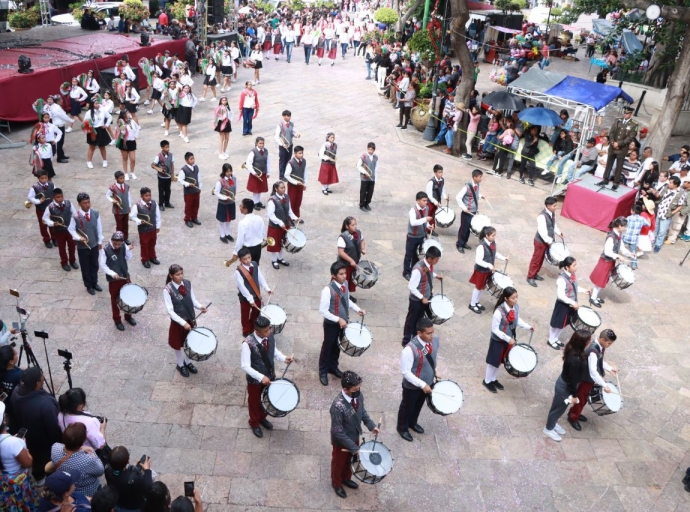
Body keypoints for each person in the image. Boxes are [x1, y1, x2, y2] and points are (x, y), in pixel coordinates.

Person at [240, 315, 294, 438]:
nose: (269, 332)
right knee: (254, 402)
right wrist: (260, 377)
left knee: (266, 399)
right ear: (257, 332)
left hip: (270, 375)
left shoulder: (269, 336)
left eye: (269, 329)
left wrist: (284, 358)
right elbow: (245, 366)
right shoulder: (247, 344)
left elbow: (273, 351)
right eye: (266, 331)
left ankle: (262, 418)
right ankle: (254, 422)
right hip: (255, 380)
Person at [329, 370, 379, 499]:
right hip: (341, 442)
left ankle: (346, 478)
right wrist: (353, 447)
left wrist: (371, 425)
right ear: (345, 390)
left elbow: (362, 412)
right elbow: (337, 431)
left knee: (350, 461)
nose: (358, 390)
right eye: (355, 389)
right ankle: (336, 483)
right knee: (338, 463)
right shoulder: (337, 406)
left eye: (359, 388)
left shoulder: (358, 396)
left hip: (354, 436)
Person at [11, 367, 62, 485]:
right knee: (43, 459)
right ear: (38, 383)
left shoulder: (16, 391)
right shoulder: (45, 405)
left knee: (35, 456)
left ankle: (38, 476)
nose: (44, 378)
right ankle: (45, 477)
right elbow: (53, 429)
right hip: (42, 440)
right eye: (42, 376)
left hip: (27, 432)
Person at [318, 262, 364, 386]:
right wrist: (338, 319)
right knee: (327, 346)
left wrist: (357, 308)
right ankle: (323, 370)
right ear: (333, 275)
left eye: (345, 273)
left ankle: (333, 367)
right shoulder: (327, 290)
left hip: (343, 323)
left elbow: (346, 299)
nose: (344, 276)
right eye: (341, 274)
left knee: (337, 346)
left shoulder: (345, 284)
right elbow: (323, 311)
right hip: (331, 324)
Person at [542, 330, 590, 441]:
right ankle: (548, 428)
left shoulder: (575, 352)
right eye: (588, 340)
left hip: (566, 384)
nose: (589, 342)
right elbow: (572, 381)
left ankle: (553, 423)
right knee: (557, 408)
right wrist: (574, 395)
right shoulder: (575, 359)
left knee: (561, 408)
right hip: (565, 387)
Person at [567, 329, 618, 431]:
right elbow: (593, 372)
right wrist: (604, 385)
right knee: (580, 399)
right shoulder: (593, 351)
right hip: (585, 379)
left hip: (587, 378)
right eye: (609, 343)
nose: (609, 345)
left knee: (584, 398)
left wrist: (609, 368)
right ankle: (573, 417)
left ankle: (574, 412)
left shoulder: (599, 347)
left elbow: (600, 360)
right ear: (602, 339)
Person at [483, 287, 533, 392]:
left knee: (500, 361)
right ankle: (487, 381)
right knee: (493, 362)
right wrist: (507, 338)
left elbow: (517, 319)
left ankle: (493, 379)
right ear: (506, 298)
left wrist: (528, 326)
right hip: (498, 340)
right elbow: (495, 329)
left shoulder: (516, 307)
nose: (515, 300)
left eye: (516, 297)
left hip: (508, 340)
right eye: (513, 298)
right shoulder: (498, 312)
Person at [163, 264, 208, 377]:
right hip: (179, 322)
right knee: (178, 344)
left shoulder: (187, 283)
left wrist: (200, 306)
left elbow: (193, 300)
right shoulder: (167, 290)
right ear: (171, 276)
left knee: (189, 342)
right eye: (178, 275)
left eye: (182, 273)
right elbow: (170, 311)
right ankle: (180, 364)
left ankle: (187, 362)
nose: (181, 276)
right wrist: (183, 323)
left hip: (190, 318)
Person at [397, 317, 438, 442]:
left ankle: (412, 422)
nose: (432, 336)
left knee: (419, 405)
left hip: (427, 383)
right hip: (412, 386)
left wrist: (434, 372)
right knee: (407, 407)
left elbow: (432, 359)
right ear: (419, 333)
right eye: (428, 333)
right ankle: (402, 427)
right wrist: (422, 384)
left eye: (433, 332)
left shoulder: (435, 341)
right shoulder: (409, 349)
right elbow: (406, 372)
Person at [588, 217, 635, 307]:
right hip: (605, 261)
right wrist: (618, 256)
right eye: (624, 226)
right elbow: (607, 251)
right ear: (619, 226)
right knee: (600, 281)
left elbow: (621, 248)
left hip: (610, 262)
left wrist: (629, 254)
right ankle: (593, 298)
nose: (625, 228)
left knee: (603, 280)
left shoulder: (618, 235)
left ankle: (595, 296)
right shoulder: (611, 237)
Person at [0, 400, 39, 510]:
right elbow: (28, 463)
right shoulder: (14, 443)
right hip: (16, 482)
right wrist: (24, 446)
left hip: (3, 480)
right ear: (4, 421)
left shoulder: (12, 442)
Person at [49, 423, 104, 497]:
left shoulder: (55, 447)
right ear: (83, 441)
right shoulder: (88, 460)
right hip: (87, 492)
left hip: (67, 489)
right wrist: (92, 452)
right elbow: (100, 471)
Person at [547, 256, 590, 349]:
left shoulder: (572, 275)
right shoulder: (561, 279)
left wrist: (584, 291)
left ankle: (555, 338)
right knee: (556, 323)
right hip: (563, 305)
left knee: (564, 323)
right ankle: (551, 340)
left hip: (570, 305)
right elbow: (561, 296)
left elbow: (573, 287)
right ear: (567, 267)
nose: (576, 267)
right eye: (574, 265)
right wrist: (573, 302)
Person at [402, 245, 442, 345]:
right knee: (411, 320)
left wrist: (436, 276)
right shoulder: (417, 270)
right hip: (416, 301)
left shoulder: (428, 265)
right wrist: (422, 297)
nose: (437, 261)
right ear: (429, 258)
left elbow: (429, 272)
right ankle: (406, 340)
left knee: (420, 319)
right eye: (436, 259)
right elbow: (411, 287)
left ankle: (417, 336)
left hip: (424, 299)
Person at [98, 231, 138, 331]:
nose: (117, 246)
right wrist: (112, 274)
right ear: (112, 240)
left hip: (125, 276)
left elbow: (128, 258)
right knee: (115, 300)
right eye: (115, 243)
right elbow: (103, 265)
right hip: (114, 280)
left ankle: (128, 316)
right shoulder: (105, 250)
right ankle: (117, 320)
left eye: (119, 244)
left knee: (128, 298)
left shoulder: (123, 246)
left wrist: (129, 250)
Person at [68, 193, 104, 296]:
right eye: (84, 203)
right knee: (85, 267)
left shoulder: (95, 213)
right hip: (82, 247)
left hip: (94, 244)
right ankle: (88, 285)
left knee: (94, 264)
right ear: (79, 204)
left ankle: (95, 282)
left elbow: (99, 228)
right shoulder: (75, 216)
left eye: (88, 202)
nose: (87, 205)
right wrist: (79, 238)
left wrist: (100, 241)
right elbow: (71, 229)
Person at [469, 226, 508, 314]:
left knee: (483, 287)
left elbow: (494, 253)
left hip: (487, 271)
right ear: (487, 235)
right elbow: (478, 260)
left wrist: (503, 258)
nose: (494, 237)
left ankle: (477, 302)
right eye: (493, 236)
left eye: (495, 235)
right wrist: (488, 265)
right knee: (478, 287)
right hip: (481, 271)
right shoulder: (481, 246)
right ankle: (472, 304)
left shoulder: (493, 243)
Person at [597, 107, 639, 190]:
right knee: (609, 163)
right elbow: (611, 132)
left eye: (627, 114)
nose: (625, 115)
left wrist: (619, 143)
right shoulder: (618, 120)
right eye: (624, 113)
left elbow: (630, 137)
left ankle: (616, 182)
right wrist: (612, 142)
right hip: (613, 147)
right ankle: (605, 179)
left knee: (619, 166)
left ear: (631, 114)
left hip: (622, 148)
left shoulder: (634, 125)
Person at [235, 247, 273, 337]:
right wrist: (250, 299)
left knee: (256, 313)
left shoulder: (255, 264)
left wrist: (267, 288)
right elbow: (242, 287)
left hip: (256, 295)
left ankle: (253, 328)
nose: (248, 260)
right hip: (245, 298)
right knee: (245, 315)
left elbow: (260, 278)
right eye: (244, 259)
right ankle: (246, 331)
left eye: (249, 258)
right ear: (240, 260)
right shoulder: (238, 272)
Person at [526, 197, 563, 287]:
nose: (556, 207)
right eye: (554, 206)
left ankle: (535, 274)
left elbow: (553, 224)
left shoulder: (551, 213)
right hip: (541, 242)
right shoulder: (542, 216)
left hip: (547, 242)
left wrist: (558, 232)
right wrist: (550, 242)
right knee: (536, 259)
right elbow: (542, 232)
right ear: (548, 206)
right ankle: (530, 276)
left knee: (541, 258)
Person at [104, 446, 153, 511]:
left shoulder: (108, 470)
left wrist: (134, 470)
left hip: (117, 502)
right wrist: (147, 470)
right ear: (128, 461)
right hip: (132, 506)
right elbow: (147, 487)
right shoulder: (133, 479)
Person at [42, 188, 79, 272]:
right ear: (53, 197)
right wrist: (52, 223)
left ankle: (72, 260)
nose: (60, 199)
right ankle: (64, 262)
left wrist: (75, 224)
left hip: (69, 229)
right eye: (58, 197)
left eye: (61, 197)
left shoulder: (68, 203)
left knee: (72, 246)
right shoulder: (50, 207)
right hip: (59, 231)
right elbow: (45, 218)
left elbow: (75, 214)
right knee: (61, 247)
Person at [266, 180, 298, 270]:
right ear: (276, 189)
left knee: (282, 242)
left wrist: (295, 217)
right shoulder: (272, 200)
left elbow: (289, 211)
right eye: (281, 188)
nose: (284, 189)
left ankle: (280, 258)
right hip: (275, 226)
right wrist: (280, 222)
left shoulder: (287, 197)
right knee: (274, 243)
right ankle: (274, 260)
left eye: (284, 187)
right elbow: (270, 215)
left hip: (285, 225)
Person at [402, 191, 433, 279]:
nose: (426, 202)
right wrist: (425, 219)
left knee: (417, 255)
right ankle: (406, 272)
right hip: (412, 237)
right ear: (418, 201)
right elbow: (413, 222)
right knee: (409, 255)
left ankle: (414, 270)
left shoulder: (426, 208)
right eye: (424, 200)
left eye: (426, 200)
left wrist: (428, 226)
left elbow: (424, 222)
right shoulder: (413, 210)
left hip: (421, 236)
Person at [455, 169, 485, 254]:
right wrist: (464, 208)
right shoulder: (466, 187)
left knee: (469, 228)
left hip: (474, 211)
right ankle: (459, 244)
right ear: (475, 177)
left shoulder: (477, 184)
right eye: (480, 177)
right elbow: (458, 197)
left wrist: (481, 196)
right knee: (464, 228)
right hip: (467, 212)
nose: (481, 178)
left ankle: (464, 242)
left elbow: (476, 194)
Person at [337, 216, 366, 299]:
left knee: (350, 280)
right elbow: (341, 252)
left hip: (354, 263)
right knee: (342, 280)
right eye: (352, 225)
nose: (355, 226)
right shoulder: (342, 237)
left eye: (355, 224)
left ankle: (346, 295)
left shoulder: (358, 233)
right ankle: (337, 296)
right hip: (345, 265)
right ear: (347, 226)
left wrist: (363, 248)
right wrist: (350, 260)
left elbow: (362, 240)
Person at [27, 170, 55, 248]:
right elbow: (30, 197)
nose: (44, 180)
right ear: (38, 178)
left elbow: (55, 192)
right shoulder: (34, 187)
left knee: (52, 223)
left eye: (45, 178)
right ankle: (46, 239)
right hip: (41, 209)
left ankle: (54, 238)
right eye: (42, 178)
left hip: (51, 208)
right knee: (43, 225)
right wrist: (38, 201)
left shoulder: (51, 184)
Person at [233, 199, 266, 264]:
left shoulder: (242, 223)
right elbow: (263, 233)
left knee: (246, 270)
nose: (240, 207)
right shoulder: (259, 218)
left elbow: (240, 240)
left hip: (247, 250)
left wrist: (235, 252)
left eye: (241, 206)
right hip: (258, 248)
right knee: (255, 268)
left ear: (246, 209)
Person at [83, 99, 112, 169]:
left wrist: (106, 125)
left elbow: (109, 117)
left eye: (98, 103)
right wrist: (89, 127)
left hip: (101, 129)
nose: (98, 105)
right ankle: (89, 162)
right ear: (92, 105)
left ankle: (105, 160)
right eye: (96, 103)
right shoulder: (89, 113)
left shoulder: (102, 110)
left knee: (102, 146)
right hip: (93, 130)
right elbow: (85, 122)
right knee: (92, 147)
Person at [106, 171, 132, 245]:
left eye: (123, 178)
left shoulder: (126, 186)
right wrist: (112, 200)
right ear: (116, 179)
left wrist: (129, 206)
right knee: (119, 225)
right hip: (118, 210)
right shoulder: (113, 187)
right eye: (120, 178)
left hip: (126, 208)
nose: (122, 180)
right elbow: (107, 195)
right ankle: (119, 238)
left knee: (125, 224)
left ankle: (125, 238)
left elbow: (128, 196)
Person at [178, 152, 202, 228]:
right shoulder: (183, 170)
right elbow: (180, 180)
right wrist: (188, 184)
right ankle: (187, 219)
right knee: (189, 206)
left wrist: (200, 187)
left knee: (196, 205)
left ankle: (194, 217)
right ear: (186, 160)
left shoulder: (196, 167)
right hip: (188, 192)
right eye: (191, 159)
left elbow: (199, 178)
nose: (193, 160)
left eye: (193, 158)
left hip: (196, 191)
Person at [115, 111, 140, 180]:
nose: (129, 114)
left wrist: (135, 136)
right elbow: (122, 132)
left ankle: (132, 172)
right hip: (124, 142)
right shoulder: (120, 122)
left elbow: (138, 127)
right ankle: (126, 173)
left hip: (132, 142)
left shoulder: (131, 121)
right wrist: (122, 127)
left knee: (133, 159)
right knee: (125, 158)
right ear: (124, 115)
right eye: (127, 113)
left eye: (129, 113)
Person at [275, 110, 300, 180]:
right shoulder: (280, 125)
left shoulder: (291, 124)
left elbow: (292, 131)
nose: (289, 118)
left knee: (288, 160)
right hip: (283, 146)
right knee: (282, 161)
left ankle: (286, 174)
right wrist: (281, 144)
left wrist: (296, 135)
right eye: (287, 116)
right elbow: (276, 136)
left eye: (289, 116)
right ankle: (281, 176)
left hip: (290, 145)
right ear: (284, 116)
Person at [214, 164, 236, 244]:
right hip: (223, 203)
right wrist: (224, 197)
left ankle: (227, 233)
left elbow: (234, 188)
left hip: (231, 202)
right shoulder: (220, 181)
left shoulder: (234, 179)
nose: (229, 173)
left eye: (230, 171)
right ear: (224, 172)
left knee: (228, 219)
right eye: (227, 171)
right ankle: (222, 235)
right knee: (222, 220)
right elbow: (216, 192)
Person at [246, 137, 270, 208]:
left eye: (263, 143)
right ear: (256, 143)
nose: (262, 145)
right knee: (255, 189)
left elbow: (268, 162)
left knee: (260, 188)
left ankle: (258, 201)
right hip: (255, 174)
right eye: (260, 143)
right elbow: (249, 163)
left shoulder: (266, 151)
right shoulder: (253, 152)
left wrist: (268, 172)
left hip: (263, 173)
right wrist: (253, 172)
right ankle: (255, 202)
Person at [285, 145, 307, 219]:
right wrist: (295, 182)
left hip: (300, 185)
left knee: (298, 201)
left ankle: (297, 217)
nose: (301, 155)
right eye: (299, 153)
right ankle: (290, 218)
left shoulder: (304, 161)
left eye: (302, 153)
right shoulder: (291, 163)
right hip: (293, 185)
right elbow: (286, 175)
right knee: (292, 201)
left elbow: (305, 173)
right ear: (295, 154)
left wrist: (305, 183)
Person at [425, 164, 448, 235]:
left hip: (436, 202)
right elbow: (428, 194)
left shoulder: (442, 180)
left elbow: (442, 190)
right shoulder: (431, 182)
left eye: (441, 172)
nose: (441, 174)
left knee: (433, 215)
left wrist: (445, 196)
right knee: (428, 215)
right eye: (439, 172)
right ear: (435, 173)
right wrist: (434, 201)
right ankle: (426, 229)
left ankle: (431, 229)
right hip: (430, 202)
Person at [357, 142, 378, 212]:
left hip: (372, 178)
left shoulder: (375, 158)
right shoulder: (363, 157)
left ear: (374, 150)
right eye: (369, 149)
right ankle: (362, 204)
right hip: (364, 178)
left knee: (370, 192)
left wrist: (376, 178)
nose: (370, 151)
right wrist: (364, 172)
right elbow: (358, 166)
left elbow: (376, 168)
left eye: (371, 150)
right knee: (363, 192)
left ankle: (367, 203)